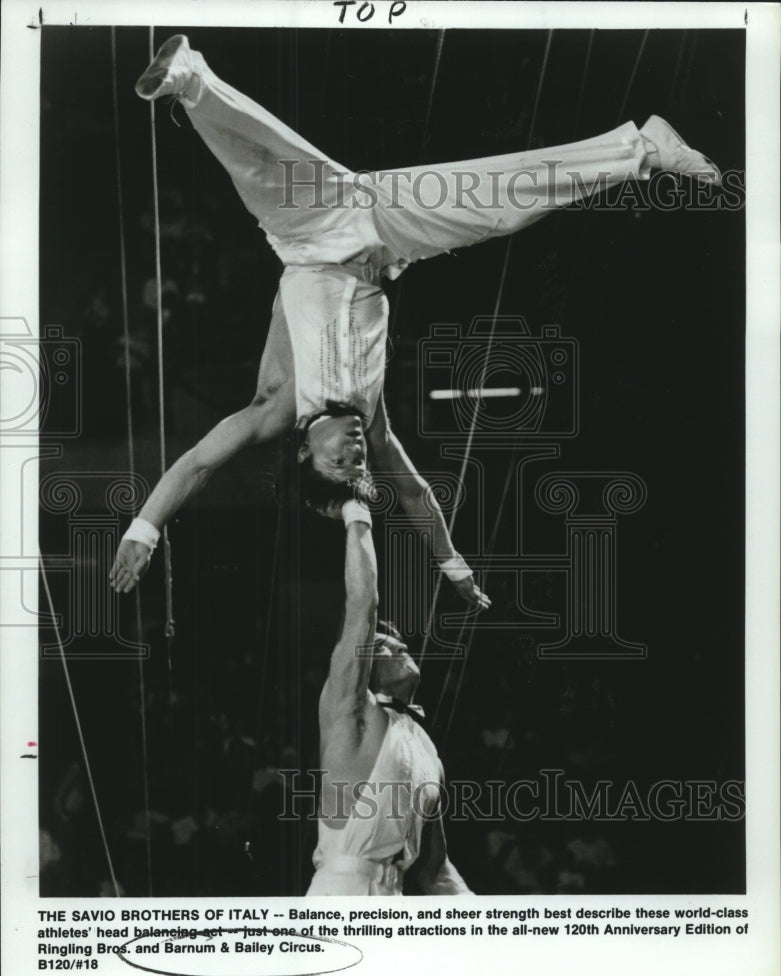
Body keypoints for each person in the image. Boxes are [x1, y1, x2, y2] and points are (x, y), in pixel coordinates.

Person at [109, 35, 720, 600]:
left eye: (338, 461)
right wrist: (453, 566)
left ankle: (189, 78)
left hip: (309, 235)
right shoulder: (371, 425)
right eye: (358, 464)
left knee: (261, 168)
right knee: (502, 207)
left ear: (303, 454)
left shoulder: (275, 410)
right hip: (383, 229)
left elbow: (199, 463)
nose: (354, 453)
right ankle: (644, 145)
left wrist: (144, 529)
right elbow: (415, 495)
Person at [307, 498, 472, 896]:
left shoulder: (426, 750)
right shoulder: (351, 710)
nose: (398, 644)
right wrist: (355, 511)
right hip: (340, 894)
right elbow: (363, 604)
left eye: (400, 640)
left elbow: (437, 870)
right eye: (382, 642)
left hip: (393, 901)